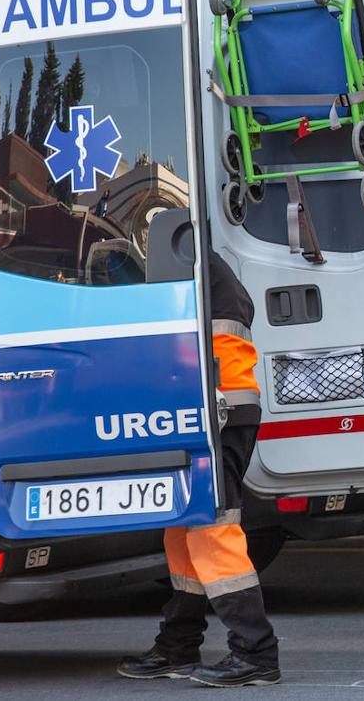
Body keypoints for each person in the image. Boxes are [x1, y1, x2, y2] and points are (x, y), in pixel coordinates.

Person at [118, 252, 280, 687]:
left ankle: (256, 652)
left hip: (217, 410)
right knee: (184, 529)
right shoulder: (194, 258)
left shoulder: (180, 258)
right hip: (210, 408)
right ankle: (178, 644)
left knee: (211, 529)